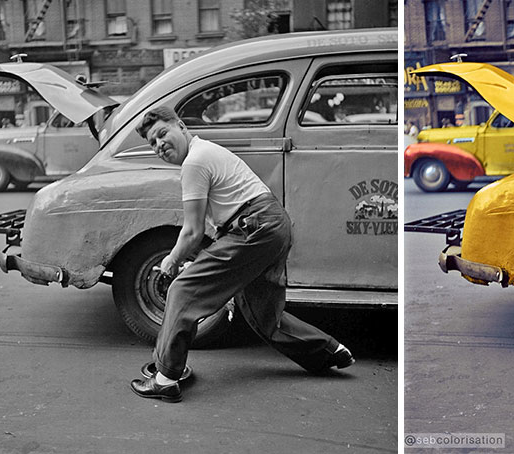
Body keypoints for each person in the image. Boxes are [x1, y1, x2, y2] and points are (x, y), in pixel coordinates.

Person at [129, 106, 354, 403]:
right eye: (152, 143)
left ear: (181, 126)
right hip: (269, 225)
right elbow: (212, 233)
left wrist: (171, 261)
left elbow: (192, 232)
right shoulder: (204, 153)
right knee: (262, 314)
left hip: (253, 227)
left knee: (183, 290)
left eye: (162, 134)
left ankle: (167, 377)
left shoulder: (194, 162)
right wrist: (196, 262)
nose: (159, 145)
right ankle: (329, 352)